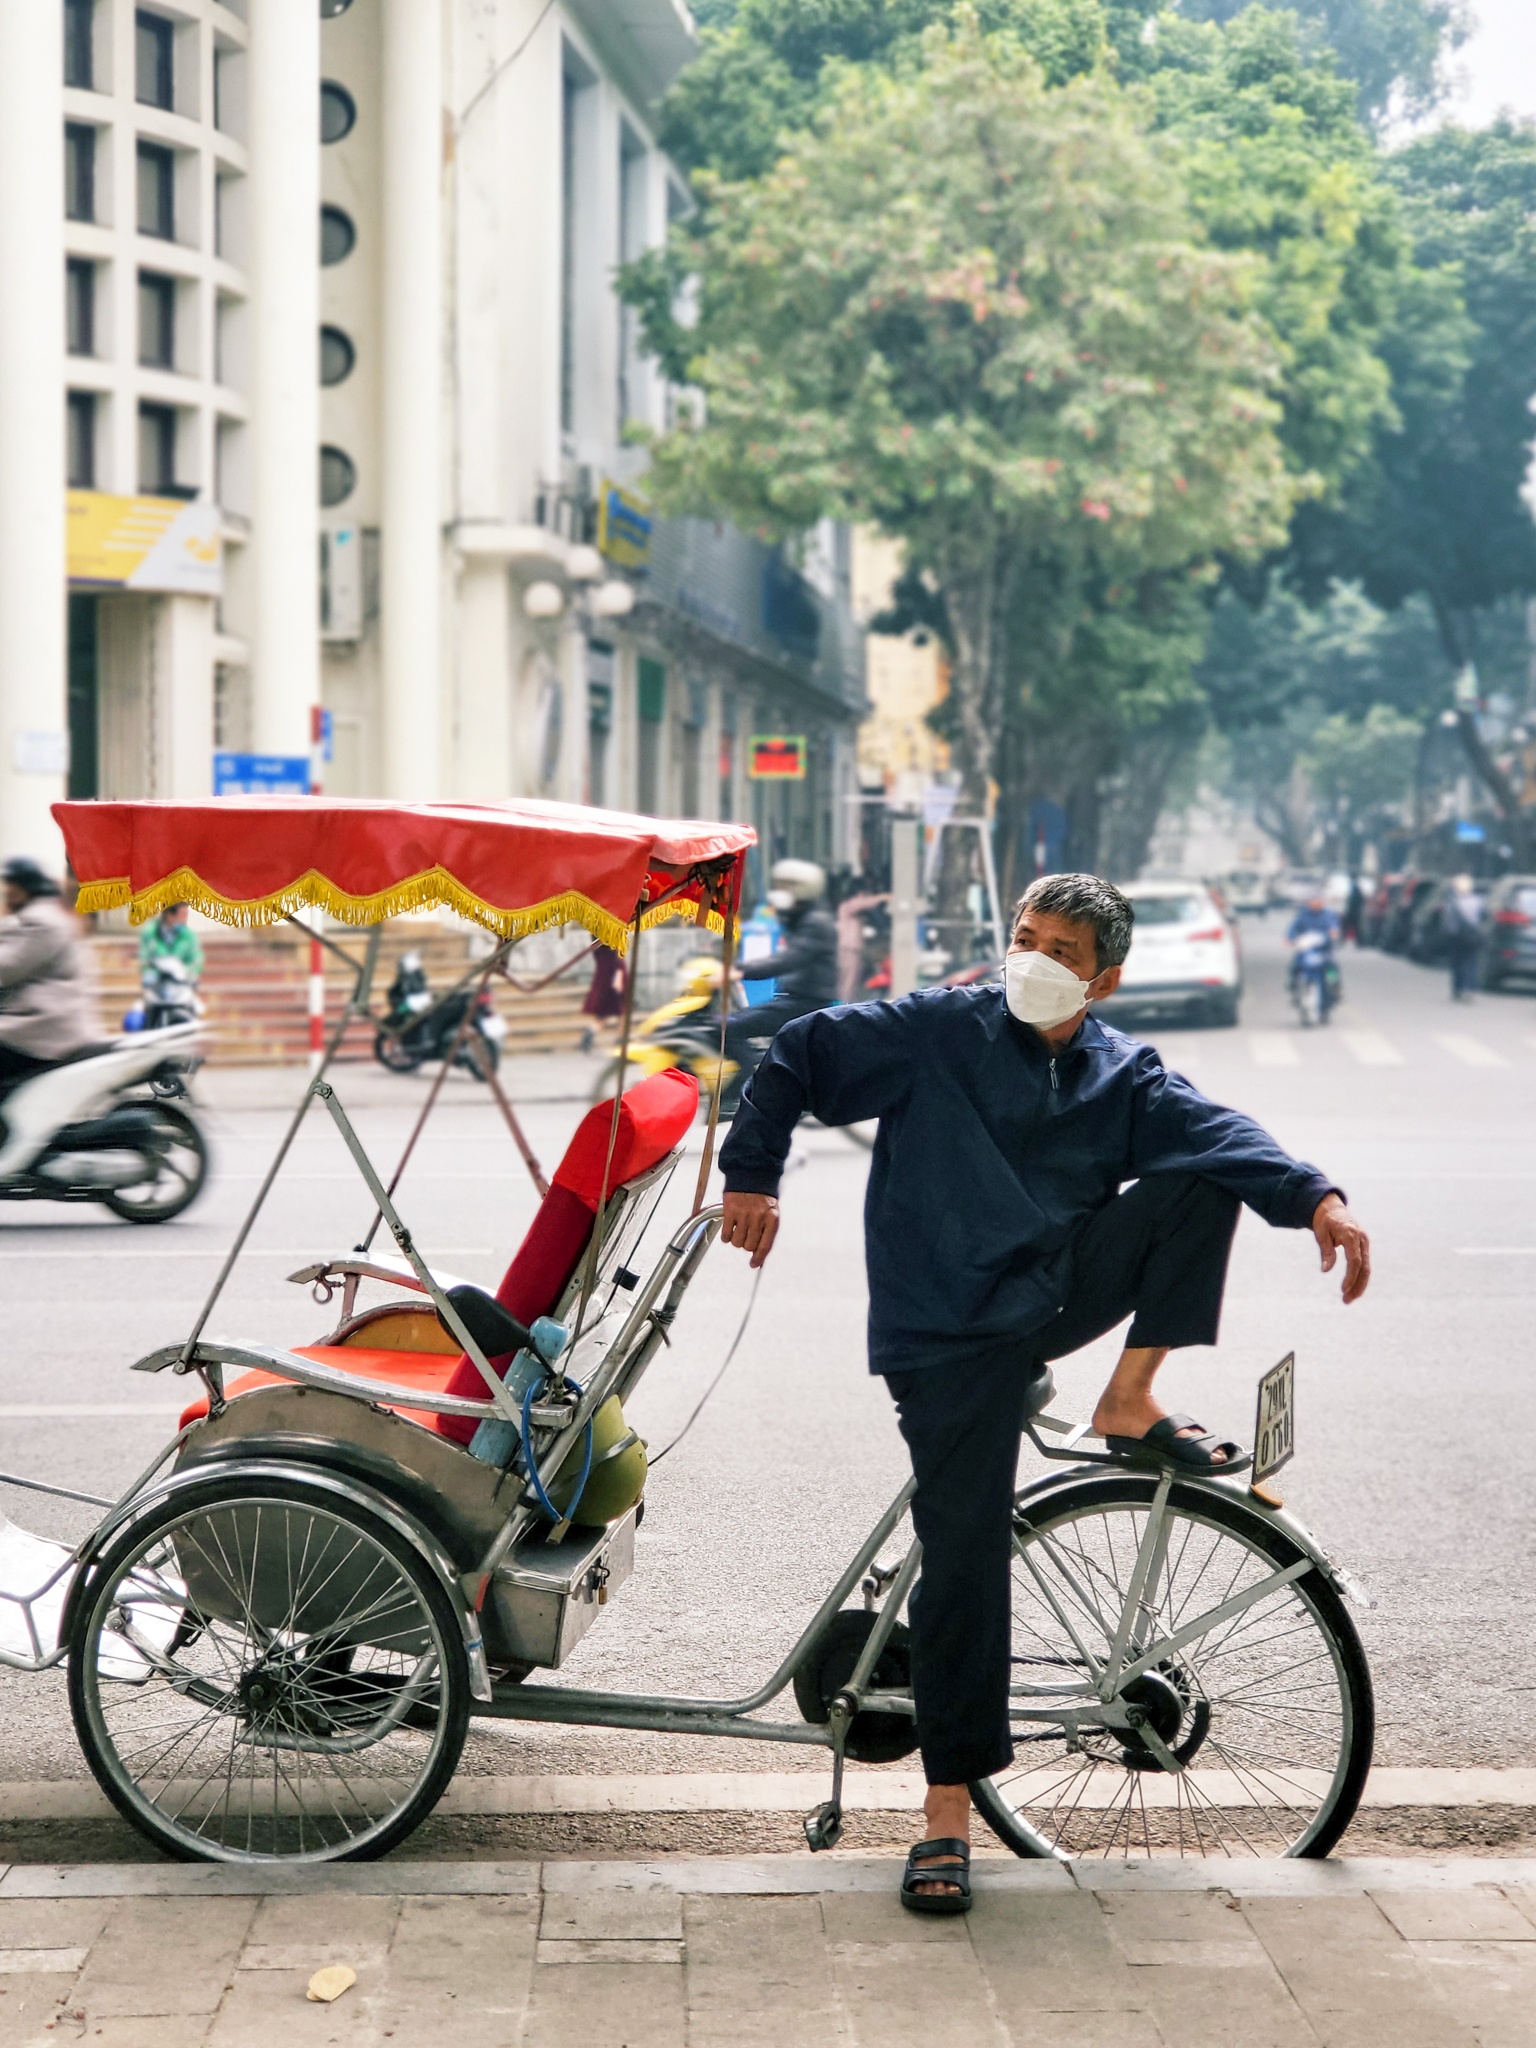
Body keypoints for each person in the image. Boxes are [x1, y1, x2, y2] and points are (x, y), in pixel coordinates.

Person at [717, 872, 1370, 1914]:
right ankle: (945, 1812)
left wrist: (1319, 1199)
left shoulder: (1122, 1073)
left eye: (1062, 948)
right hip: (944, 1334)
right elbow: (799, 1050)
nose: (1035, 956)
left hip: (1044, 1296)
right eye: (1026, 935)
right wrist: (751, 1174)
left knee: (1201, 1181)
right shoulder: (940, 1029)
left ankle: (1130, 1395)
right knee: (967, 1547)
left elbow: (1220, 1130)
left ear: (1102, 979)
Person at [721, 859, 838, 1079]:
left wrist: (739, 970)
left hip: (804, 1005)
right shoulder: (801, 917)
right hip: (794, 1000)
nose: (780, 891)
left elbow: (787, 960)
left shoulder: (816, 922)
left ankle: (739, 1092)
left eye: (786, 885)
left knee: (727, 1027)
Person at [0, 858, 98, 1090]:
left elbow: (6, 967)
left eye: (9, 888)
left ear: (22, 888)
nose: (6, 894)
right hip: (36, 1025)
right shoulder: (41, 916)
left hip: (40, 1033)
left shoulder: (41, 921)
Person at [138, 901, 204, 985]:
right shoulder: (150, 933)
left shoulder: (189, 936)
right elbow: (144, 958)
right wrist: (152, 973)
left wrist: (186, 973)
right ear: (170, 915)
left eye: (186, 915)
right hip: (157, 985)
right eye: (183, 915)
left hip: (181, 985)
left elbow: (196, 959)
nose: (185, 920)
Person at [1443, 874, 1484, 1003]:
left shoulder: (1453, 902)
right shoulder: (1478, 901)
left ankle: (1459, 989)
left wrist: (1449, 935)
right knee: (1472, 963)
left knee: (1458, 964)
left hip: (1457, 938)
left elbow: (1449, 923)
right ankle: (1470, 989)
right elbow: (1483, 917)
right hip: (1473, 937)